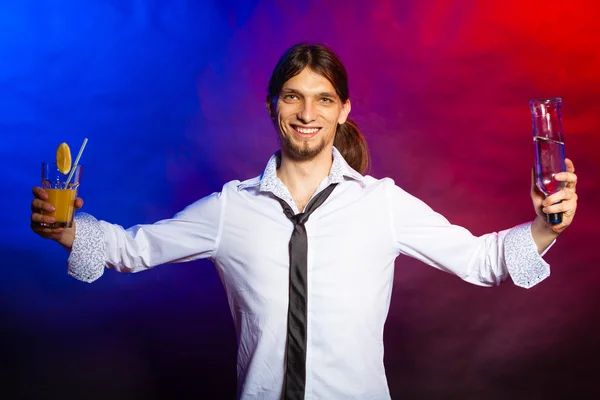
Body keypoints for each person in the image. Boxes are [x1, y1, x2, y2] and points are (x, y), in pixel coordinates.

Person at [30, 43, 578, 399]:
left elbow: (480, 260)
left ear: (343, 110)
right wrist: (68, 231)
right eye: (293, 97)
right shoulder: (230, 208)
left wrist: (547, 226)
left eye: (323, 99)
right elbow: (134, 249)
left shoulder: (380, 203)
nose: (307, 113)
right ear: (273, 106)